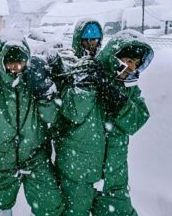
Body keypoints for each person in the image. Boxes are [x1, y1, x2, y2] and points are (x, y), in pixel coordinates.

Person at [0, 29, 63, 216]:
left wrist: (45, 94)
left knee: (50, 205)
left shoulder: (33, 83)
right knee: (2, 205)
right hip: (0, 161)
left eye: (20, 61)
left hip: (35, 158)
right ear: (1, 59)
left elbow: (51, 117)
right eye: (10, 61)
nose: (16, 67)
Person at [90, 29, 154, 216]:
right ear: (114, 58)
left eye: (136, 63)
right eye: (128, 61)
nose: (132, 67)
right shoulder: (91, 79)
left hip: (114, 174)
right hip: (82, 172)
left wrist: (119, 102)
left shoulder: (130, 89)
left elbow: (137, 120)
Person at [51, 19, 107, 215]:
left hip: (99, 163)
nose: (91, 44)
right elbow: (73, 112)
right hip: (75, 164)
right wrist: (84, 83)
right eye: (86, 40)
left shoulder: (102, 64)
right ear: (78, 40)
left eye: (95, 39)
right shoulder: (69, 67)